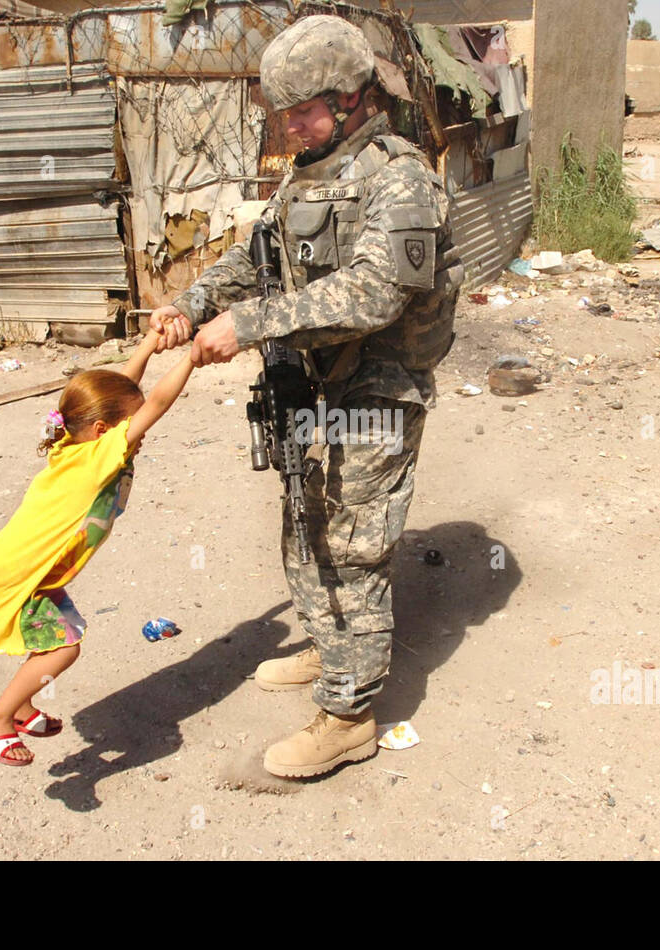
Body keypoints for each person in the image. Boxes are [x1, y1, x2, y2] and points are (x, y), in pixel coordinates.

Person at [150, 14, 462, 778]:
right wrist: (190, 305)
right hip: (316, 377)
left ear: (352, 96)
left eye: (302, 108)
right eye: (282, 111)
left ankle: (349, 715)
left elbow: (376, 292)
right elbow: (260, 260)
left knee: (356, 544)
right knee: (304, 522)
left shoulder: (403, 177)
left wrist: (250, 325)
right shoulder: (310, 170)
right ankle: (330, 647)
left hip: (380, 385)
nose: (288, 125)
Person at [0, 330, 194, 766]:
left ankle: (21, 708)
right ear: (102, 431)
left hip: (27, 567)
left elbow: (116, 392)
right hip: (23, 575)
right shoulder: (99, 457)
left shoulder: (73, 440)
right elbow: (154, 403)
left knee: (55, 636)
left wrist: (148, 347)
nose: (139, 431)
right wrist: (194, 356)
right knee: (64, 647)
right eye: (129, 424)